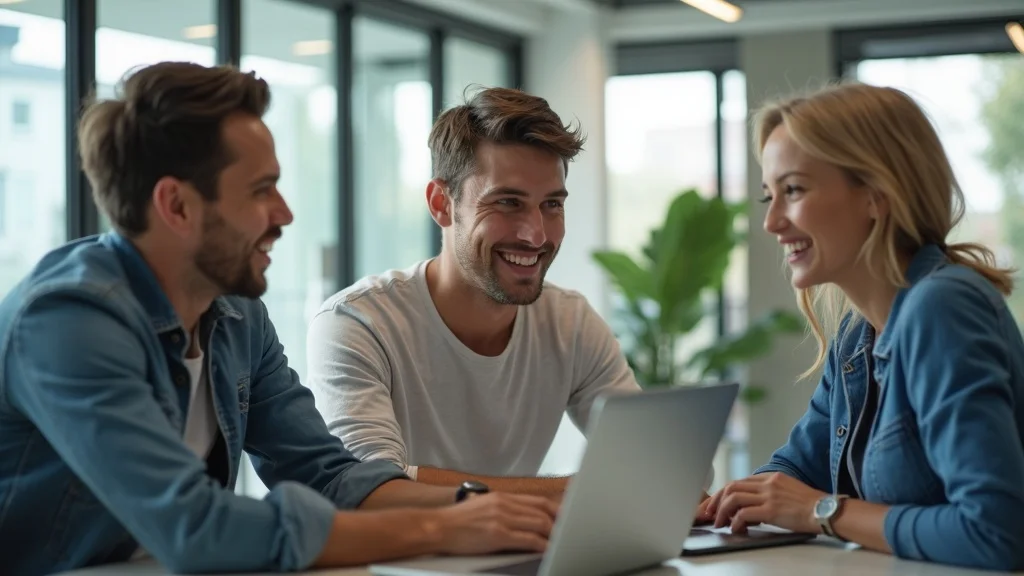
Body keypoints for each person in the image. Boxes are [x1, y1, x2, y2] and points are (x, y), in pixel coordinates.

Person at [0, 62, 559, 576]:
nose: (285, 214)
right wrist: (442, 527)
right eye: (261, 190)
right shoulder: (68, 321)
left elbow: (326, 475)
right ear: (176, 206)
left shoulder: (237, 314)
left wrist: (490, 509)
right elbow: (196, 527)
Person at [697, 82, 1024, 571]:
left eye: (793, 190)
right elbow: (793, 470)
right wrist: (717, 507)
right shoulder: (858, 334)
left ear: (876, 195)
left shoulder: (942, 308)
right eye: (770, 195)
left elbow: (995, 531)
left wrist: (821, 510)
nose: (771, 222)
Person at [305, 87, 649, 498]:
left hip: (517, 556)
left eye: (552, 205)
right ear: (441, 204)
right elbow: (371, 488)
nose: (536, 234)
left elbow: (655, 470)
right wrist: (577, 491)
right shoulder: (358, 324)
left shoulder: (570, 324)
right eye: (507, 202)